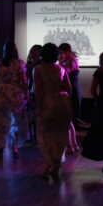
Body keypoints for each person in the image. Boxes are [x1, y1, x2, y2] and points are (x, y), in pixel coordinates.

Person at [34, 43, 72, 181]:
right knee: (60, 134)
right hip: (63, 103)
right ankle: (53, 165)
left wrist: (38, 107)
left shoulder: (38, 69)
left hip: (47, 103)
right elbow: (69, 88)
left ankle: (51, 164)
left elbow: (38, 91)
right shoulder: (60, 68)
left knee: (44, 134)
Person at [0, 40, 28, 160]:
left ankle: (1, 148)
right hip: (15, 95)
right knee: (16, 123)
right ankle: (15, 148)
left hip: (2, 95)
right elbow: (23, 81)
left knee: (1, 123)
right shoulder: (19, 63)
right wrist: (26, 93)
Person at [58, 43, 80, 154]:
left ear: (67, 51)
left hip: (72, 92)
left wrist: (60, 62)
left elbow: (64, 73)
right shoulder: (69, 60)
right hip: (69, 91)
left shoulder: (73, 61)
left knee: (67, 121)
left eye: (61, 52)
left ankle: (71, 146)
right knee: (68, 121)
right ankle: (73, 145)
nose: (60, 55)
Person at [25, 44, 42, 145]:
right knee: (29, 115)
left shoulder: (41, 64)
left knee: (36, 115)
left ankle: (36, 137)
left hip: (37, 91)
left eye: (34, 50)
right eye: (31, 50)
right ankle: (30, 136)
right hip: (29, 90)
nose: (31, 52)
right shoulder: (29, 63)